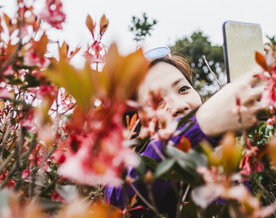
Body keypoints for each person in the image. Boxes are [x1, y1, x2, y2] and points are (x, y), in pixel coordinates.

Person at [105, 48, 265, 216]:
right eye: (157, 101)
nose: (179, 105)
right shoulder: (122, 172)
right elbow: (119, 198)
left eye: (183, 89)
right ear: (137, 125)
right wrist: (202, 126)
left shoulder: (226, 158)